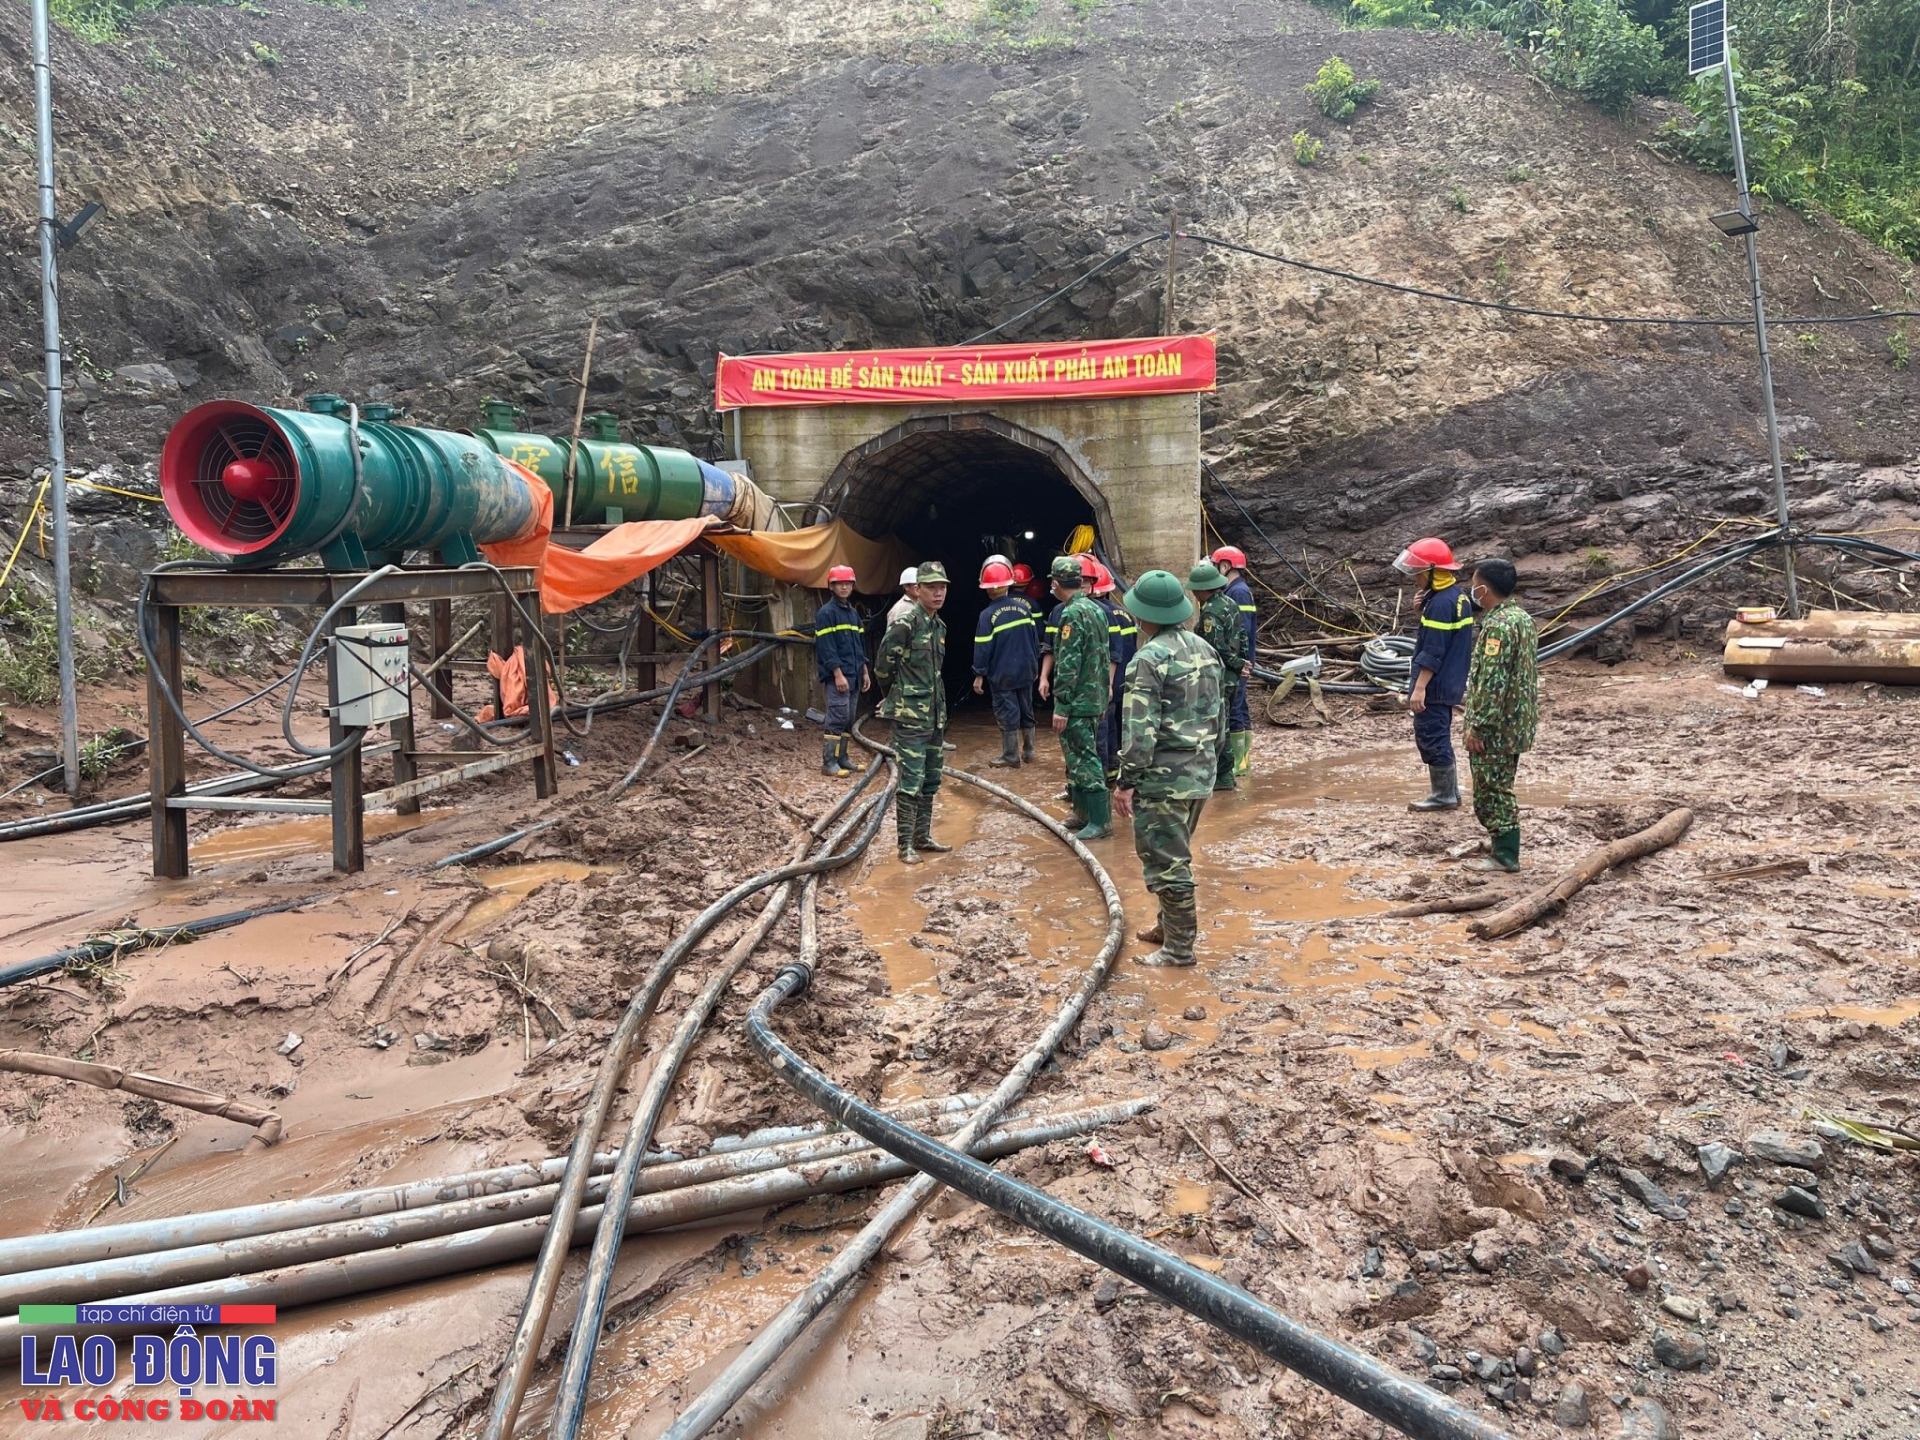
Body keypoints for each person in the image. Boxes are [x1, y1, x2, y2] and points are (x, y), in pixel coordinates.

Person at [1113, 570, 1227, 968]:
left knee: (1168, 863)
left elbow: (1138, 730)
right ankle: (1167, 927)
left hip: (1162, 780)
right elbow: (1220, 716)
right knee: (1174, 852)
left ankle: (1179, 949)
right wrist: (1213, 762)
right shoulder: (1203, 649)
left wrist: (1126, 780)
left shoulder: (1148, 659)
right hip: (1199, 773)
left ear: (1142, 615)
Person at [1461, 558, 1539, 872]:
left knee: (1491, 789)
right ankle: (1500, 844)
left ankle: (1506, 855)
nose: (1471, 590)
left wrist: (1478, 727)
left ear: (1484, 588)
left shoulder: (1497, 627)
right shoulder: (1522, 618)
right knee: (1500, 782)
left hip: (1496, 727)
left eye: (1473, 583)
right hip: (1517, 722)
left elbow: (1493, 682)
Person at [875, 561, 951, 865]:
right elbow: (883, 668)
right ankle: (904, 844)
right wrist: (898, 697)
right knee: (910, 781)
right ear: (917, 590)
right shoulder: (905, 623)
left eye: (942, 586)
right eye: (931, 587)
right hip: (910, 716)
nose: (938, 592)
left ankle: (923, 836)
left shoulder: (939, 626)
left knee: (931, 778)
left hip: (934, 715)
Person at [1394, 536, 1475, 813]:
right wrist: (1421, 611)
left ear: (1433, 572)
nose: (1415, 578)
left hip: (1436, 684)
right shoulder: (1457, 597)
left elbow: (1433, 650)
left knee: (1431, 735)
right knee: (1439, 733)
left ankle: (1443, 795)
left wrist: (1419, 688)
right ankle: (1449, 791)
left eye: (1419, 573)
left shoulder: (1440, 604)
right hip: (1450, 681)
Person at [1041, 555, 1113, 840]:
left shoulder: (1070, 614)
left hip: (1079, 703)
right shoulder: (1096, 609)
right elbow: (1102, 655)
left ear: (1057, 583)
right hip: (1093, 698)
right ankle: (1083, 813)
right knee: (1078, 757)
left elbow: (1069, 663)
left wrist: (1061, 706)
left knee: (1084, 758)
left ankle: (1100, 820)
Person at [972, 558, 1040, 768]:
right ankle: (1029, 751)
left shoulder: (987, 615)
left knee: (1007, 710)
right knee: (1026, 708)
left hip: (1003, 674)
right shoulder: (1024, 609)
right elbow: (1035, 639)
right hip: (1026, 670)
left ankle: (1011, 756)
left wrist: (979, 674)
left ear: (987, 589)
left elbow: (983, 648)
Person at [1189, 559, 1247, 792]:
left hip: (1219, 676)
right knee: (1222, 723)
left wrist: (1237, 663)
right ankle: (1223, 774)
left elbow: (1215, 648)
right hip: (1231, 674)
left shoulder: (1211, 612)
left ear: (1203, 589)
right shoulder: (1230, 603)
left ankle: (1221, 775)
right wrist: (1243, 662)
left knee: (1216, 726)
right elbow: (1242, 635)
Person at [813, 565, 869, 777]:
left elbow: (859, 645)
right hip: (839, 676)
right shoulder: (826, 613)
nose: (844, 587)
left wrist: (864, 670)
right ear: (831, 586)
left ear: (853, 586)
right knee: (837, 717)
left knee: (848, 718)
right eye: (839, 583)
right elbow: (826, 648)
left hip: (854, 674)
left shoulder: (853, 613)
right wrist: (837, 674)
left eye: (848, 583)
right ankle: (829, 763)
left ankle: (843, 759)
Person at [1209, 546, 1259, 779]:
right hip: (1241, 661)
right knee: (1242, 708)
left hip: (1238, 663)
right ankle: (1243, 760)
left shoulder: (1237, 592)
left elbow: (1243, 630)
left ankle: (1239, 761)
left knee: (1235, 710)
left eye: (1214, 565)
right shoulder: (1236, 590)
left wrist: (1241, 663)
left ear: (1225, 566)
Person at [1092, 562, 1137, 787]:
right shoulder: (1127, 615)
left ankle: (1108, 769)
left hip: (1106, 682)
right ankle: (1120, 766)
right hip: (1126, 680)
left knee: (1105, 727)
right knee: (1123, 725)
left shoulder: (1097, 615)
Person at [876, 567, 918, 724]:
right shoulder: (900, 609)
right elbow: (890, 647)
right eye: (913, 584)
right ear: (906, 586)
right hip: (904, 669)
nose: (917, 587)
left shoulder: (922, 607)